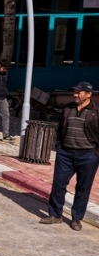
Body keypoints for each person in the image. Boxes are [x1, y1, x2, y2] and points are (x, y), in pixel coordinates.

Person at [40, 82, 99, 231]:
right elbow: (60, 129)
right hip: (65, 154)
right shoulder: (67, 109)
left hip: (88, 156)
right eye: (75, 92)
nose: (75, 94)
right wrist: (59, 147)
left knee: (83, 188)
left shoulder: (96, 111)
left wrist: (96, 153)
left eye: (79, 92)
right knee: (58, 184)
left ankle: (76, 218)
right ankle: (55, 215)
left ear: (88, 94)